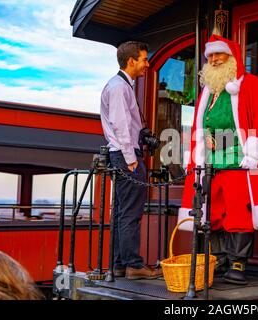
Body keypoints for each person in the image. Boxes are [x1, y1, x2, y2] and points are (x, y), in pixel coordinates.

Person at [177, 34, 258, 285]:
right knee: (213, 212)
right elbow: (201, 126)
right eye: (210, 56)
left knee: (239, 214)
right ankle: (218, 259)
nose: (214, 59)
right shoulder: (208, 91)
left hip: (239, 163)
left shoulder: (252, 84)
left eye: (218, 54)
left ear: (232, 58)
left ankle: (238, 262)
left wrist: (255, 154)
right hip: (211, 163)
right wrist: (204, 144)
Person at [100, 41, 161, 280]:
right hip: (126, 156)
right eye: (144, 59)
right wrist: (130, 159)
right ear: (131, 61)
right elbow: (120, 124)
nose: (147, 64)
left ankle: (118, 265)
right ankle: (134, 265)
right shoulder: (119, 88)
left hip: (122, 155)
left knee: (121, 212)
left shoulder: (120, 86)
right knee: (130, 213)